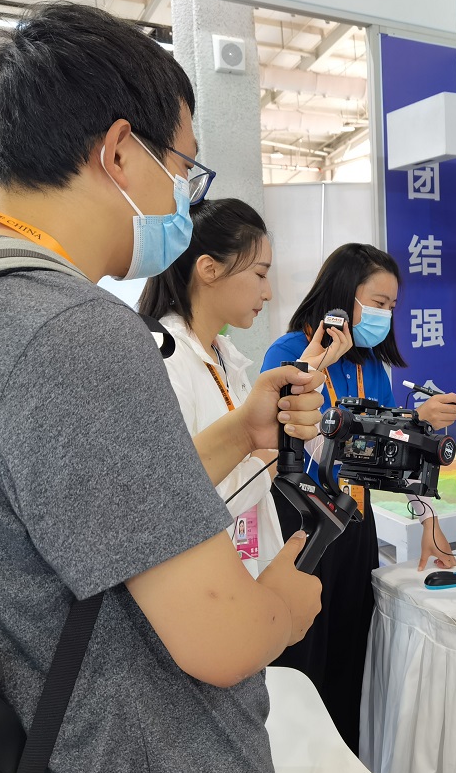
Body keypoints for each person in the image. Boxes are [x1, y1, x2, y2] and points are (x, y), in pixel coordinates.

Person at [0, 4, 328, 773]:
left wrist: (238, 431)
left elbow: (84, 513)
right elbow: (222, 638)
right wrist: (286, 606)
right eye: (184, 166)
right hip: (134, 763)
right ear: (121, 151)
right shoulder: (71, 329)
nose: (184, 193)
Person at [261, 242, 456, 751]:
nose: (385, 315)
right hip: (302, 522)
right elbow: (293, 438)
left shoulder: (372, 366)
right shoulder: (288, 354)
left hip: (355, 521)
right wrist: (322, 360)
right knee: (302, 655)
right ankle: (295, 766)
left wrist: (428, 517)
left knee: (351, 653)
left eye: (392, 306)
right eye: (378, 302)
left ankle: (346, 763)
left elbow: (390, 454)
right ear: (342, 295)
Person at [137, 197, 352, 577]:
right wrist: (267, 454)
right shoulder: (165, 361)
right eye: (260, 274)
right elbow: (175, 505)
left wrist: (307, 369)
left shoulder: (223, 354)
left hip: (240, 568)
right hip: (200, 581)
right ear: (209, 269)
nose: (268, 293)